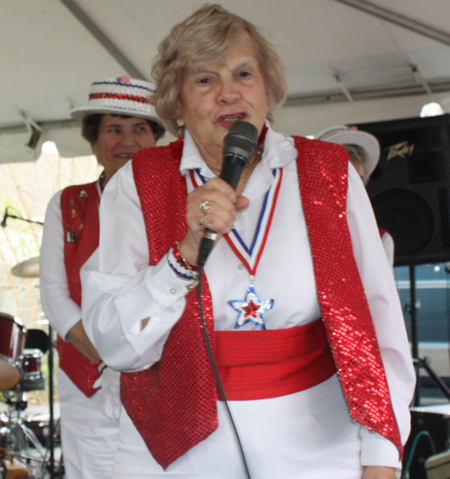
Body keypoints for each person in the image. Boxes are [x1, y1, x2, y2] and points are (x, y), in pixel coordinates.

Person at [81, 6, 415, 479]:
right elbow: (113, 342)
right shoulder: (138, 183)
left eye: (243, 73)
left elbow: (378, 321)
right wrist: (183, 256)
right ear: (175, 102)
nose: (229, 93)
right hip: (177, 449)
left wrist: (383, 451)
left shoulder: (328, 171)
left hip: (321, 437)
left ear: (269, 88)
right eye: (204, 80)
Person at [40, 75, 165, 479]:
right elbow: (55, 295)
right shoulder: (67, 204)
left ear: (156, 137)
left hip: (162, 377)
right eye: (114, 128)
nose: (127, 140)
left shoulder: (179, 199)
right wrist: (105, 352)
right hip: (87, 378)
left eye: (139, 129)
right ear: (94, 140)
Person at [315, 125, 395, 267]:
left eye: (361, 180)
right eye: (346, 179)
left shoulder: (381, 240)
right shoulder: (297, 230)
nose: (355, 189)